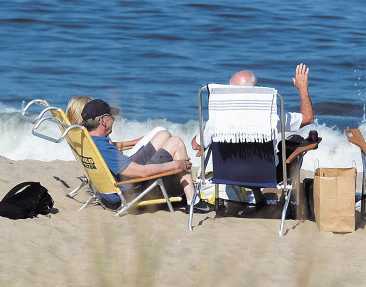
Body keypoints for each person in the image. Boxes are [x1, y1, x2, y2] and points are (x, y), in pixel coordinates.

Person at [191, 63, 314, 206]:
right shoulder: (272, 117)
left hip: (227, 175)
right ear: (257, 91)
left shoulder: (218, 121)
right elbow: (308, 118)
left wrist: (206, 129)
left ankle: (258, 196)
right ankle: (287, 204)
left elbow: (195, 145)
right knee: (295, 142)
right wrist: (302, 88)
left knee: (241, 153)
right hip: (265, 175)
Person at [81, 98, 211, 213]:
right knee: (176, 142)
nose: (114, 119)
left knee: (163, 135)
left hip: (119, 181)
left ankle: (187, 191)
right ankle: (193, 201)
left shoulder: (86, 141)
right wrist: (177, 165)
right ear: (103, 120)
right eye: (111, 116)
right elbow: (141, 173)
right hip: (130, 190)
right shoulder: (104, 148)